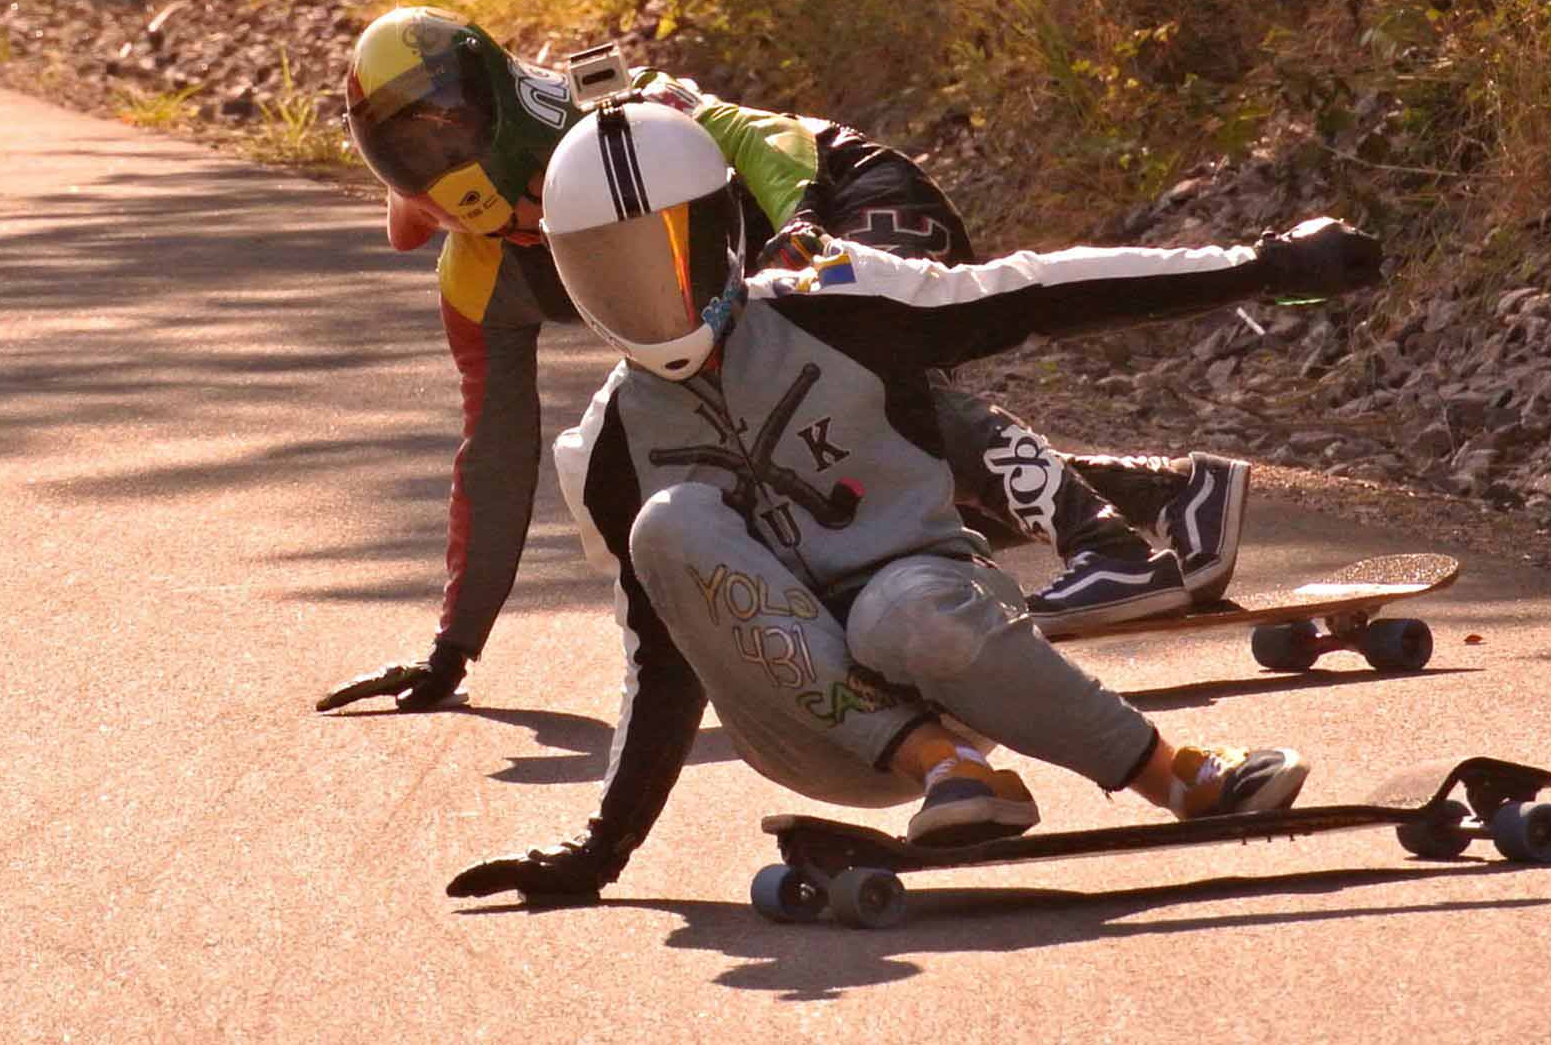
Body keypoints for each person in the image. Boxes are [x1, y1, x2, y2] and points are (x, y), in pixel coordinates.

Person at [445, 101, 1383, 897]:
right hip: (807, 728)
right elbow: (660, 663)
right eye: (605, 268)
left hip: (948, 643)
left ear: (722, 230)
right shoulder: (603, 447)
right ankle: (940, 767)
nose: (641, 293)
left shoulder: (837, 300)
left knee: (905, 608)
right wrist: (598, 854)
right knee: (672, 522)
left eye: (662, 256)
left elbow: (1041, 290)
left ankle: (1170, 776)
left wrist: (1264, 266)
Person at [317, 6, 1251, 714]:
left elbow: (755, 137)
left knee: (856, 381)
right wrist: (453, 649)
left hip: (846, 195)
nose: (530, 227)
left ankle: (1110, 548)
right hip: (772, 275)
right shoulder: (478, 274)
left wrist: (800, 225)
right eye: (520, 229)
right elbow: (494, 455)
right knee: (835, 475)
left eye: (536, 203)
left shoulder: (607, 110)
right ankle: (1177, 499)